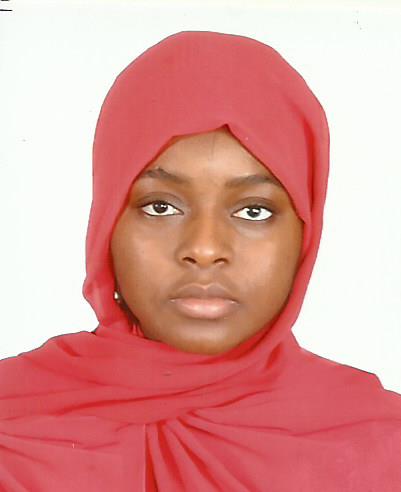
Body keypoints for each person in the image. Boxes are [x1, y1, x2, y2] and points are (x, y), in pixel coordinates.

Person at [0, 30, 400, 491]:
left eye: (254, 211)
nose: (205, 248)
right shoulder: (12, 428)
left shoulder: (381, 449)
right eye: (160, 207)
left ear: (305, 232)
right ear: (107, 222)